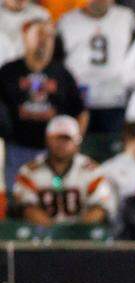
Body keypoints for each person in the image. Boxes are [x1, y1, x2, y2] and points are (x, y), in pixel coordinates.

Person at [0, 18, 86, 189]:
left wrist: (75, 141)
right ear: (25, 37)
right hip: (17, 149)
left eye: (49, 36)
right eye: (39, 34)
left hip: (54, 154)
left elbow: (81, 111)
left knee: (52, 196)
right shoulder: (8, 72)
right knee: (17, 198)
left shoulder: (63, 74)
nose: (44, 40)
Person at [11, 115, 114, 224]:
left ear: (77, 142)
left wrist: (75, 233)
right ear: (47, 139)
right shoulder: (30, 171)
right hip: (40, 235)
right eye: (57, 138)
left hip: (82, 236)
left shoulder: (92, 171)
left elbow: (100, 209)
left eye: (67, 139)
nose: (61, 144)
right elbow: (27, 208)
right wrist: (54, 233)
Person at [56, 0, 135, 135]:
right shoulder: (67, 21)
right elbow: (57, 60)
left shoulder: (127, 17)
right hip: (79, 99)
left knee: (113, 147)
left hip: (116, 98)